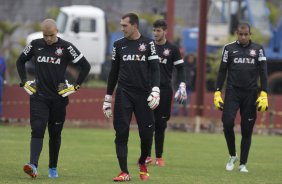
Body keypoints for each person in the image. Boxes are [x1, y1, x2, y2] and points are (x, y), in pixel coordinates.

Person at [16, 19, 91, 179]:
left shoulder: (66, 47)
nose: (48, 38)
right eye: (45, 35)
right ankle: (33, 165)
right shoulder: (35, 44)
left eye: (51, 35)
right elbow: (20, 61)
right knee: (37, 129)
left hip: (58, 99)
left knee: (55, 134)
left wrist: (75, 86)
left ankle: (52, 168)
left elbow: (86, 66)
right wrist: (24, 82)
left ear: (57, 31)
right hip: (39, 97)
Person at [102, 13, 160, 181]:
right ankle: (124, 172)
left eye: (124, 26)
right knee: (121, 132)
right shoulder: (118, 45)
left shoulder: (149, 43)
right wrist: (107, 98)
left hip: (144, 95)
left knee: (147, 134)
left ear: (135, 26)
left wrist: (155, 90)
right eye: (121, 25)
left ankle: (143, 161)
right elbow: (113, 73)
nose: (122, 29)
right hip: (124, 94)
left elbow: (155, 68)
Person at [214, 22, 268, 173]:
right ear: (237, 34)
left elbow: (263, 72)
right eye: (240, 34)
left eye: (246, 34)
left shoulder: (258, 49)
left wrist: (264, 92)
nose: (243, 37)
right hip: (233, 92)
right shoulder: (229, 49)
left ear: (250, 35)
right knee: (227, 122)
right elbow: (222, 71)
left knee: (246, 129)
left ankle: (243, 164)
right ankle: (232, 155)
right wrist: (217, 91)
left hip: (251, 93)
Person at [145, 19, 187, 167]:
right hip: (149, 90)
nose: (155, 33)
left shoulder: (173, 49)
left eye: (158, 31)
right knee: (148, 123)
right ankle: (147, 155)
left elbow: (181, 69)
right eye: (154, 30)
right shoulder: (147, 47)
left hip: (165, 90)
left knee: (161, 124)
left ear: (165, 31)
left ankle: (159, 156)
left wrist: (182, 85)